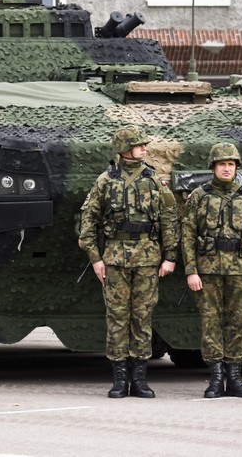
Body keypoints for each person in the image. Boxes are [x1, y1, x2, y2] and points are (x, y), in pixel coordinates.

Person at [78, 126, 179, 399]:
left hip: (147, 258)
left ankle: (140, 378)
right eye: (139, 145)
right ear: (125, 148)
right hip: (114, 259)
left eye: (145, 145)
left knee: (143, 318)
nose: (144, 149)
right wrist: (95, 259)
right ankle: (119, 378)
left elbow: (169, 218)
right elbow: (87, 222)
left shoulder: (154, 179)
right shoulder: (105, 181)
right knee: (117, 317)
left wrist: (170, 256)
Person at [181, 142, 242, 398]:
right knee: (211, 323)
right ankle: (216, 377)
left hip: (241, 271)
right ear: (213, 167)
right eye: (222, 164)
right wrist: (191, 271)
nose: (227, 168)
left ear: (236, 167)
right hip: (207, 271)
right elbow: (187, 236)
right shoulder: (199, 196)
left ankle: (235, 377)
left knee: (238, 323)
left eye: (231, 164)